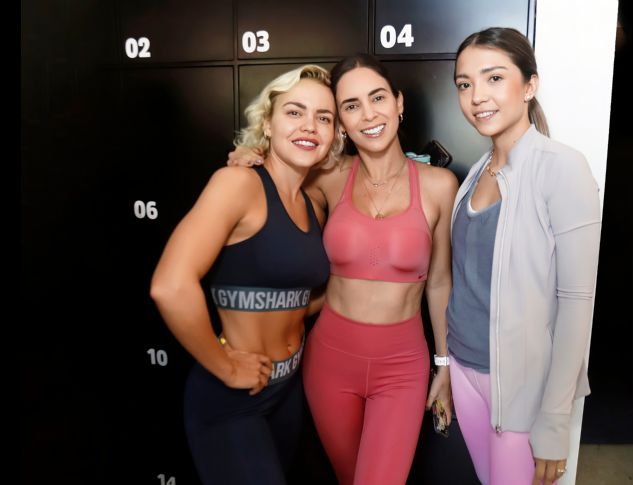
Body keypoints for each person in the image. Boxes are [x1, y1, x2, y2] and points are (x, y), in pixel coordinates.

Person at [228, 53, 457, 485]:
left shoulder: (439, 186)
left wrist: (443, 365)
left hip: (402, 367)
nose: (368, 115)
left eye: (378, 98)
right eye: (351, 106)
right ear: (341, 123)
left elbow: (440, 283)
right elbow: (278, 177)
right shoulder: (328, 176)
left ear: (399, 103)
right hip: (329, 361)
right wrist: (250, 155)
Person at [150, 64, 343, 485]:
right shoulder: (237, 184)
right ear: (268, 124)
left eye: (323, 118)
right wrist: (223, 366)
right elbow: (169, 286)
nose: (309, 125)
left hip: (288, 391)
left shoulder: (312, 201)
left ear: (333, 135)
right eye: (294, 112)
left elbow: (289, 299)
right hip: (234, 398)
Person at [446, 27, 602, 485]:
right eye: (464, 84)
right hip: (464, 369)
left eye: (494, 78)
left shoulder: (563, 168)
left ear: (529, 85)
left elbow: (577, 304)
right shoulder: (476, 172)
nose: (477, 96)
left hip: (520, 389)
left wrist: (553, 422)